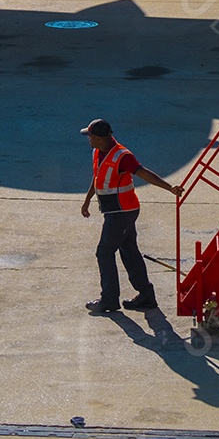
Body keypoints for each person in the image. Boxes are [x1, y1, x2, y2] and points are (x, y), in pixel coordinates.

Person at [80, 118, 183, 314]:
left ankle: (109, 300)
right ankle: (146, 296)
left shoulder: (122, 156)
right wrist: (87, 201)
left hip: (122, 213)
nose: (89, 139)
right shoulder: (98, 152)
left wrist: (170, 188)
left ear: (101, 138)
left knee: (104, 252)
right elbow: (98, 177)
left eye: (91, 136)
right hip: (115, 212)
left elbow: (144, 173)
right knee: (129, 252)